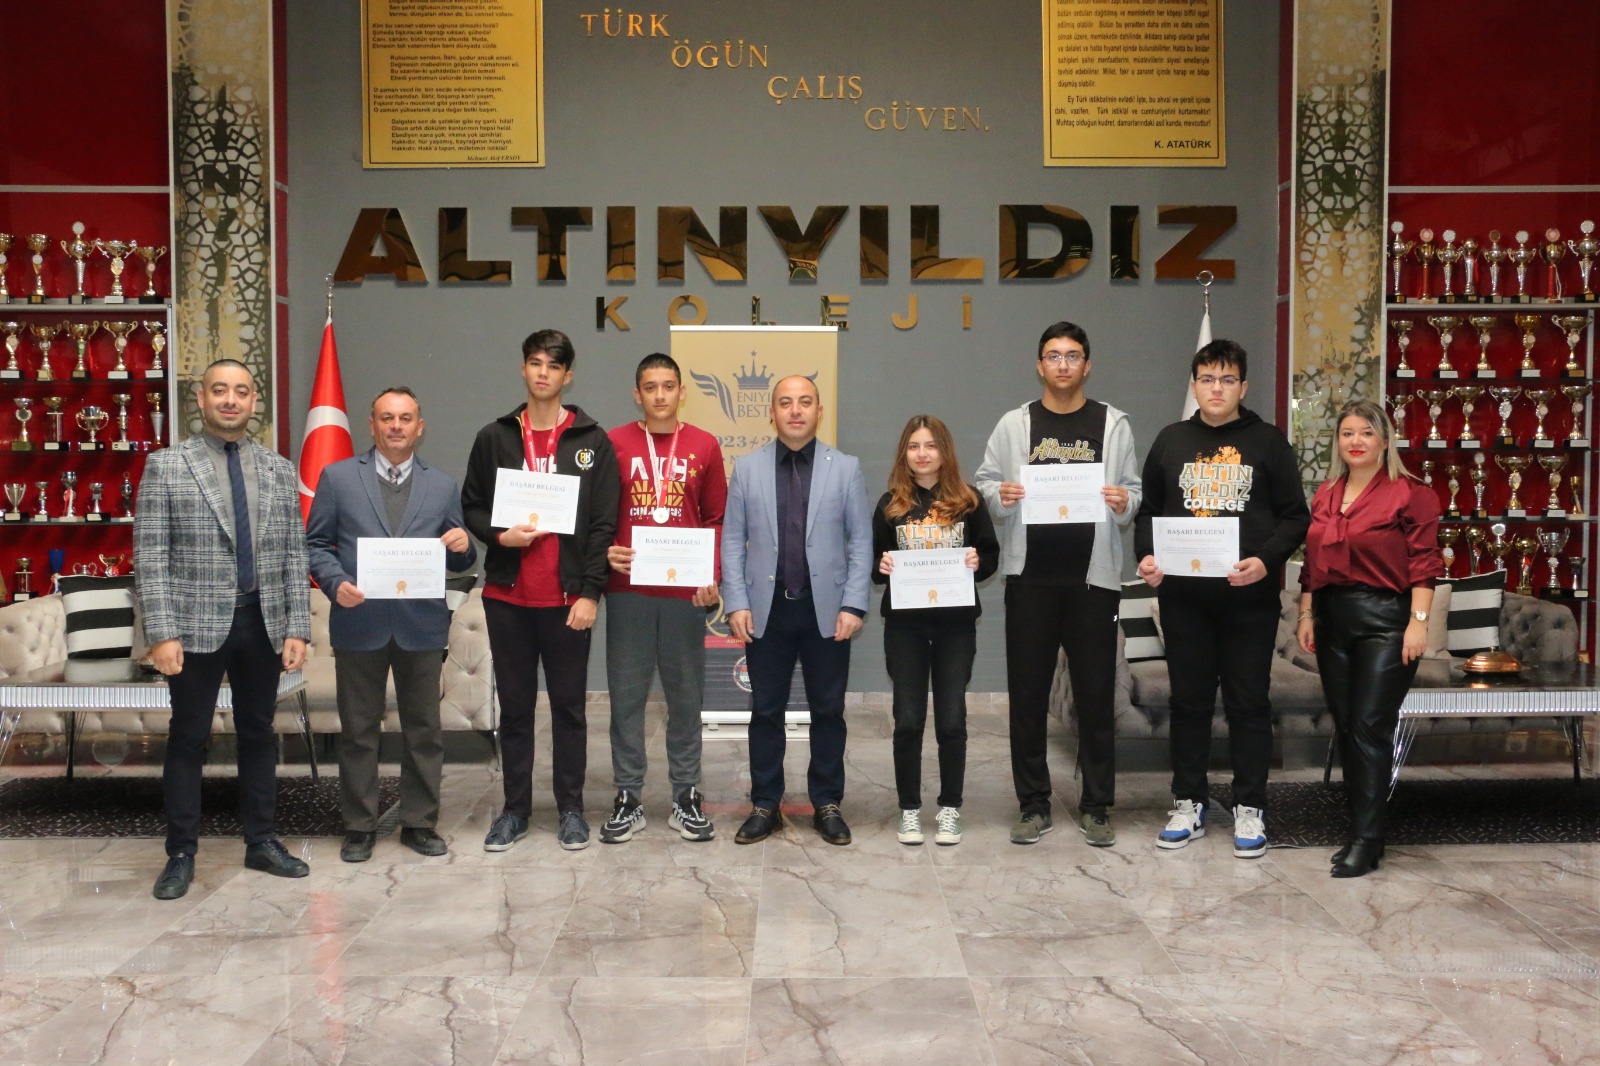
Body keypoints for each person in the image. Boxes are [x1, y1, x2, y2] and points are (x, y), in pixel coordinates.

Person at [135, 358, 312, 900]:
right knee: (189, 736)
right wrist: (161, 632)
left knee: (259, 733)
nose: (230, 400)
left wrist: (298, 626)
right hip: (192, 627)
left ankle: (261, 841)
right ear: (202, 399)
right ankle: (180, 853)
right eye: (220, 390)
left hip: (263, 621)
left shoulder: (279, 469)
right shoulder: (167, 466)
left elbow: (293, 552)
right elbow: (150, 556)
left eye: (240, 391)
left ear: (255, 400)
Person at [1134, 339, 1310, 858]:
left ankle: (1250, 807)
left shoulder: (1268, 442)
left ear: (1243, 387)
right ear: (1194, 385)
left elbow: (1295, 516)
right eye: (1208, 379)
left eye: (1227, 380)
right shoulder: (1170, 440)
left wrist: (1266, 561)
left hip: (1248, 601)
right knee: (1188, 703)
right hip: (1184, 600)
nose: (1217, 389)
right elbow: (1148, 512)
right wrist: (1147, 557)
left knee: (1248, 703)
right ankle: (1187, 802)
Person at [976, 321, 1141, 847]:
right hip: (1030, 580)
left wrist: (1125, 501)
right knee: (1027, 697)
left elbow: (1134, 491)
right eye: (1053, 355)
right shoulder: (1014, 423)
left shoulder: (1113, 423)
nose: (1063, 364)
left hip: (1094, 582)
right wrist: (1000, 496)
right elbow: (985, 482)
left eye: (1072, 356)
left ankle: (1096, 806)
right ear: (1040, 365)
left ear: (1087, 366)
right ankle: (1033, 805)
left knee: (1096, 696)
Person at [460, 329, 620, 852]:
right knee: (515, 709)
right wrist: (498, 536)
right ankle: (514, 811)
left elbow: (603, 523)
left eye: (553, 365)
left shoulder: (592, 441)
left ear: (567, 376)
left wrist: (590, 592)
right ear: (523, 369)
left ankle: (571, 810)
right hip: (508, 597)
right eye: (535, 363)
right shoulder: (495, 437)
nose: (543, 372)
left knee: (570, 709)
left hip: (567, 600)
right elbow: (472, 505)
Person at [306, 386, 477, 863]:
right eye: (387, 417)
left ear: (420, 427)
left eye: (405, 418)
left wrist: (464, 545)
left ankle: (419, 823)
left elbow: (460, 554)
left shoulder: (442, 484)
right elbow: (315, 545)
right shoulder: (338, 477)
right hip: (359, 621)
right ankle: (359, 826)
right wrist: (335, 582)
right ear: (372, 425)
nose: (396, 426)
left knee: (424, 730)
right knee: (359, 731)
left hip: (421, 625)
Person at [722, 375, 872, 846]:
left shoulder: (845, 468)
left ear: (818, 411)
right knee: (765, 711)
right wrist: (736, 601)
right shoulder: (747, 468)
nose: (795, 410)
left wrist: (853, 603)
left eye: (805, 402)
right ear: (772, 413)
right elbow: (732, 540)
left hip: (826, 611)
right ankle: (765, 804)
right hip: (766, 611)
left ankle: (826, 803)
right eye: (785, 402)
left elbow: (860, 541)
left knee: (829, 710)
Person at [1297, 399, 1439, 877]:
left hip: (1386, 621)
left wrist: (1418, 622)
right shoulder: (1327, 492)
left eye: (1366, 433)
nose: (1355, 441)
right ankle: (1361, 831)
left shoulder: (1410, 493)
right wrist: (1307, 613)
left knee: (1368, 728)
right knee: (1347, 728)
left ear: (1384, 440)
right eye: (1347, 433)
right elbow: (1312, 563)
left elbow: (1425, 563)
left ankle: (1367, 840)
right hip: (1332, 619)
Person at [601, 353, 727, 843]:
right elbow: (596, 516)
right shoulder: (613, 443)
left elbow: (716, 518)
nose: (659, 395)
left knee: (686, 697)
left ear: (681, 392)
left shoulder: (704, 445)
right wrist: (604, 553)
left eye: (668, 386)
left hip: (685, 594)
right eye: (650, 387)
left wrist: (711, 576)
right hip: (628, 590)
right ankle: (628, 796)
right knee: (626, 698)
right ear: (637, 394)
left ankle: (686, 795)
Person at [872, 415, 999, 847]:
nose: (922, 454)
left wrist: (978, 562)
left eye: (930, 445)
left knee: (951, 719)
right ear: (903, 454)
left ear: (944, 452)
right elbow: (873, 565)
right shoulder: (891, 504)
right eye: (914, 446)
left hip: (955, 627)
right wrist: (883, 565)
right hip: (905, 627)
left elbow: (990, 556)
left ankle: (950, 808)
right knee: (908, 720)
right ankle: (909, 809)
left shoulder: (969, 501)